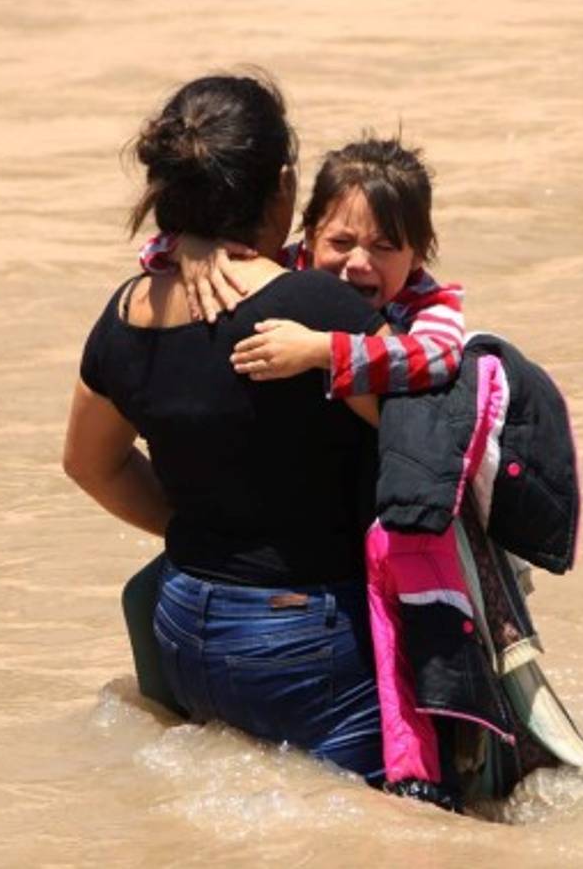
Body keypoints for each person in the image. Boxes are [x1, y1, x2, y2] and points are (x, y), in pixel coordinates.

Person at [63, 73, 389, 783]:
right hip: (308, 638)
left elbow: (92, 465)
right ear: (282, 184)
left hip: (182, 628)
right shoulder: (315, 309)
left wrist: (208, 530)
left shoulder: (125, 315)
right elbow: (424, 441)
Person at [138, 136, 466, 399]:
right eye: (341, 242)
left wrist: (320, 351)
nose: (357, 263)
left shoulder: (426, 302)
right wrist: (189, 248)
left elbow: (440, 358)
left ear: (418, 254)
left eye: (383, 247)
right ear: (310, 234)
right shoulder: (284, 264)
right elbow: (152, 256)